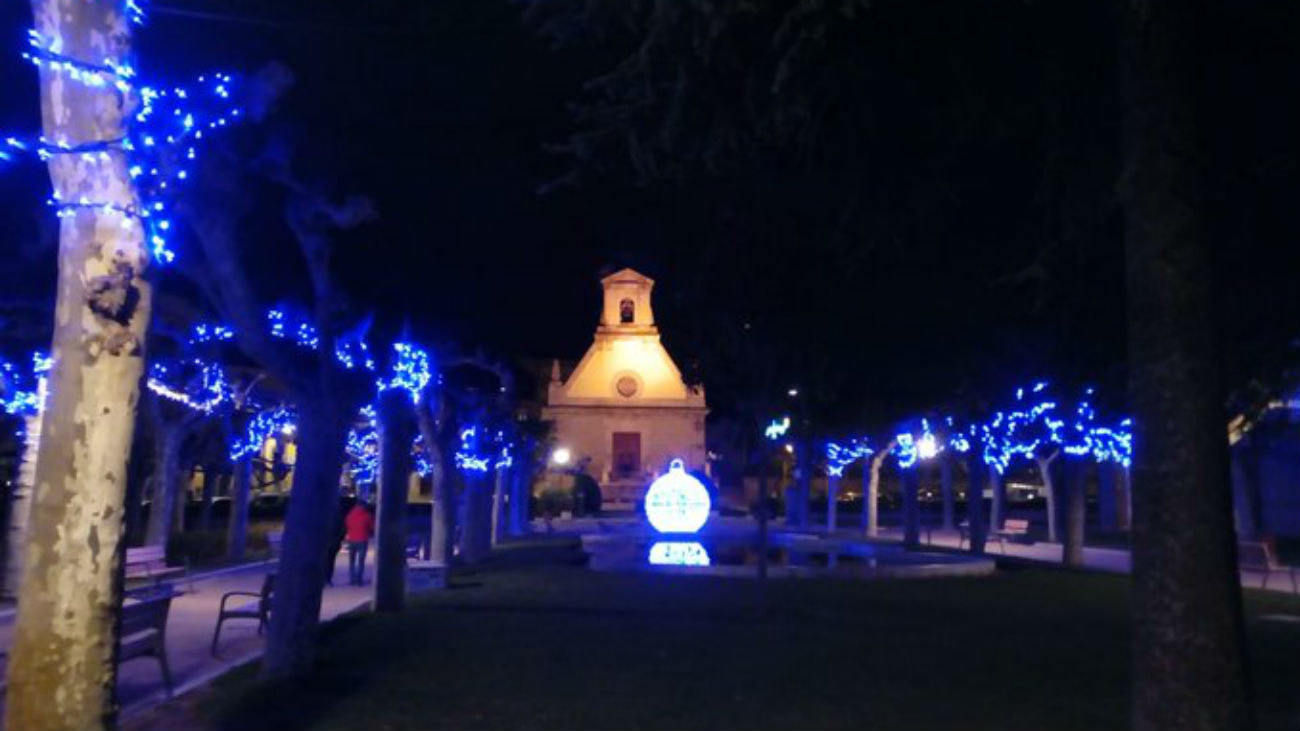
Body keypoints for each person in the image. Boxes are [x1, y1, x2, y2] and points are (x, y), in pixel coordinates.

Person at [344, 500, 375, 586]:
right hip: (362, 539)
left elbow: (347, 524)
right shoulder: (367, 516)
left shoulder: (350, 515)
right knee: (361, 561)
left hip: (352, 539)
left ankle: (352, 579)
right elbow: (371, 527)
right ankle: (359, 579)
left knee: (352, 561)